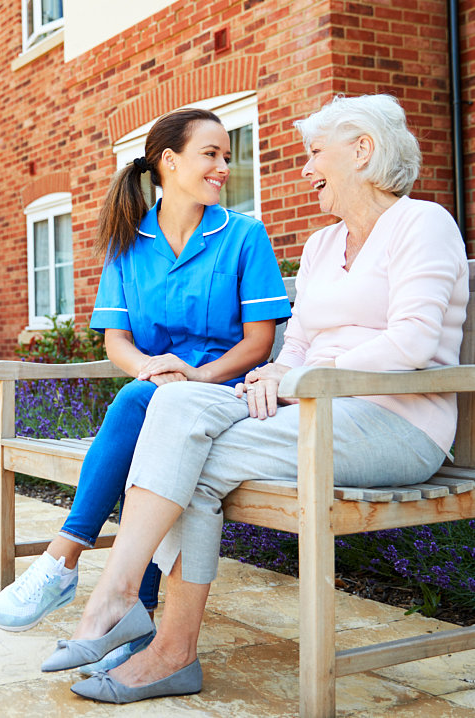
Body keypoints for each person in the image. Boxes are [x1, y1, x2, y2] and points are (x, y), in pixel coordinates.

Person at [38, 94, 468, 704]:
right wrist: (275, 374)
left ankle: (152, 632)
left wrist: (295, 380)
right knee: (175, 405)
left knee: (191, 462)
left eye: (315, 154)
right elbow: (300, 345)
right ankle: (129, 604)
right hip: (312, 408)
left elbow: (414, 341)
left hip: (395, 423)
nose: (304, 169)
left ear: (363, 152)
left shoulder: (421, 223)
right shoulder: (323, 245)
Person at [0, 108, 291, 670]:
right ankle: (134, 622)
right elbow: (117, 342)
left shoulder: (244, 234)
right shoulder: (129, 242)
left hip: (225, 397)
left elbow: (257, 345)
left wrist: (191, 377)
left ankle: (63, 560)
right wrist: (152, 369)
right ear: (169, 161)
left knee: (140, 406)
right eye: (211, 154)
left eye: (227, 155)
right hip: (158, 394)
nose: (224, 165)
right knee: (147, 414)